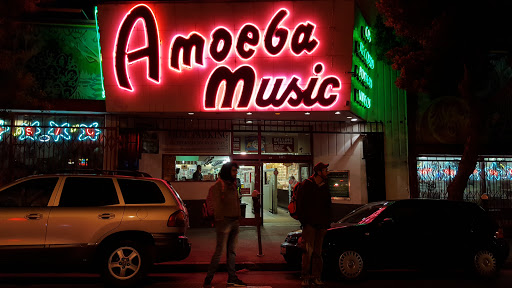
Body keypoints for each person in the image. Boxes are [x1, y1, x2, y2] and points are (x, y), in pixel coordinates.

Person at [203, 162, 247, 288]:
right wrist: (221, 221)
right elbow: (216, 206)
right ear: (228, 171)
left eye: (236, 171)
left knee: (231, 252)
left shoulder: (232, 184)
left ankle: (232, 278)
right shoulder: (219, 185)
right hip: (224, 222)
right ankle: (208, 279)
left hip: (234, 221)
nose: (236, 173)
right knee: (219, 251)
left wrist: (238, 217)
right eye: (234, 171)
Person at [298, 162, 332, 287]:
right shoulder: (307, 185)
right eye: (325, 170)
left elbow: (328, 206)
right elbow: (300, 205)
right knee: (308, 251)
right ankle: (305, 276)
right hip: (310, 225)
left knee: (318, 252)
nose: (327, 172)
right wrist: (304, 222)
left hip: (321, 225)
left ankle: (316, 276)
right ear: (318, 172)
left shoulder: (325, 186)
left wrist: (327, 223)